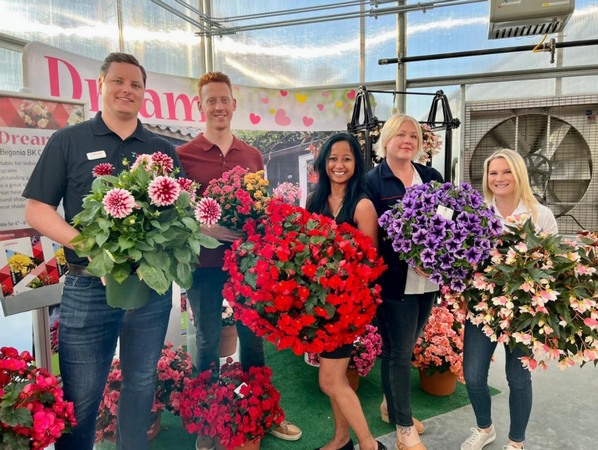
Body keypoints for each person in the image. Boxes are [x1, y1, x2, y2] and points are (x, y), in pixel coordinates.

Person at [22, 53, 179, 450]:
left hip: (149, 289)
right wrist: (91, 248)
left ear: (144, 93)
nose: (127, 89)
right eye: (118, 81)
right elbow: (37, 209)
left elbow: (177, 215)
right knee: (81, 396)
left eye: (136, 84)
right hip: (89, 286)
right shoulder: (69, 140)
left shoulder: (160, 149)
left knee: (141, 384)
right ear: (101, 85)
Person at [176, 71, 302, 449]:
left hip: (247, 266)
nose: (218, 107)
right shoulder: (184, 156)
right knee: (206, 341)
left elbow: (262, 209)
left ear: (233, 104)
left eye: (224, 100)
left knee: (253, 340)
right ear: (200, 106)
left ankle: (258, 410)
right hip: (203, 266)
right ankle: (208, 419)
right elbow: (175, 215)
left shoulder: (252, 155)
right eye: (210, 100)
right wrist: (205, 227)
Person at [460, 148, 558, 450]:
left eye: (506, 172)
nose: (499, 178)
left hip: (524, 312)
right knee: (473, 375)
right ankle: (484, 428)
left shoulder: (540, 215)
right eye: (493, 173)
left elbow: (554, 266)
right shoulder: (478, 215)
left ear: (519, 175)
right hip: (482, 307)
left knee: (518, 377)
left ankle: (516, 442)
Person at [366, 113, 444, 450]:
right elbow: (370, 234)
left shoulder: (431, 177)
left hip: (428, 281)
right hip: (394, 282)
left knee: (406, 347)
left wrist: (436, 256)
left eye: (414, 136)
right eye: (400, 134)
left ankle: (390, 405)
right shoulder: (373, 181)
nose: (407, 141)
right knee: (398, 353)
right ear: (386, 140)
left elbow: (448, 221)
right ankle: (404, 428)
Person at [306, 133, 386, 450]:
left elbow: (370, 264)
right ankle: (341, 440)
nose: (339, 165)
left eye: (347, 159)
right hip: (319, 304)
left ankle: (369, 444)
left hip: (346, 308)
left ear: (356, 164)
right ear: (324, 163)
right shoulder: (314, 202)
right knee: (336, 379)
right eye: (333, 158)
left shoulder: (362, 206)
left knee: (329, 380)